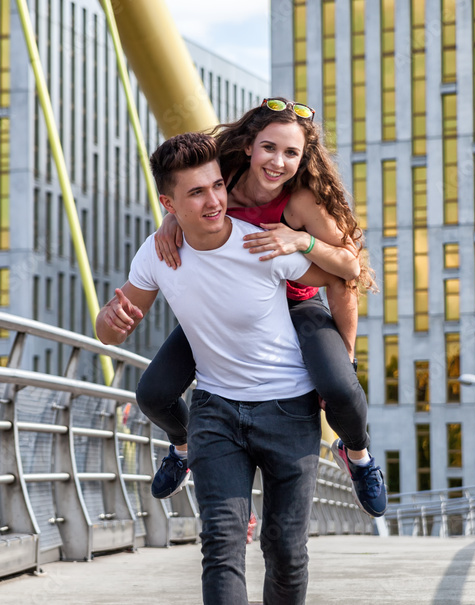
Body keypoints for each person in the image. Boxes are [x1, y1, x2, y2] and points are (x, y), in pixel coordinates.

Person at [96, 132, 336, 604]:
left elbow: (340, 274)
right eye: (196, 193)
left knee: (285, 550)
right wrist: (109, 320)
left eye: (217, 187)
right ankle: (182, 447)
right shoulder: (158, 253)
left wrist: (307, 242)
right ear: (168, 203)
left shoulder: (261, 245)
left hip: (289, 410)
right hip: (216, 413)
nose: (213, 202)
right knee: (222, 546)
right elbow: (112, 329)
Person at [139, 98, 386, 517]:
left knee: (342, 389)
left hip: (295, 306)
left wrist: (301, 241)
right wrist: (172, 221)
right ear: (250, 145)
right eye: (269, 148)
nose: (278, 161)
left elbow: (349, 267)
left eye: (291, 153)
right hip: (235, 308)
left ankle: (357, 456)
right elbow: (186, 194)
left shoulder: (301, 200)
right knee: (154, 393)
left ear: (303, 157)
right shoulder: (224, 178)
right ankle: (183, 448)